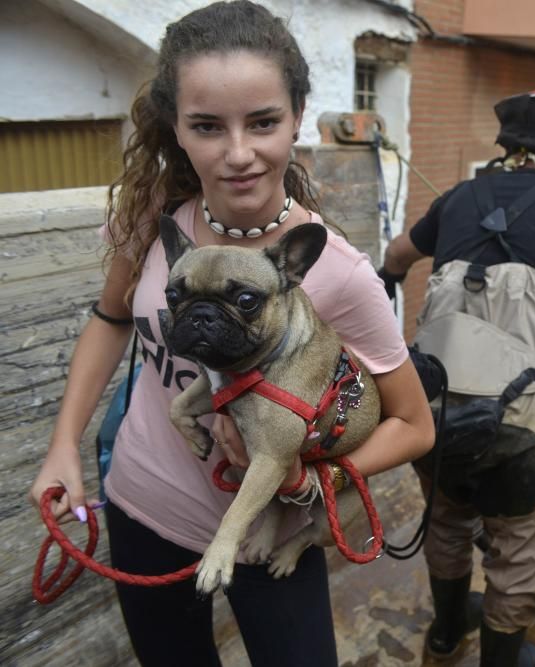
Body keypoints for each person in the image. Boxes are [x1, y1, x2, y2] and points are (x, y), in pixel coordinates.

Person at [28, 3, 435, 665]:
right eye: (209, 126)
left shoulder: (335, 272)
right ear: (177, 129)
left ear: (298, 117)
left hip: (266, 533)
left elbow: (416, 425)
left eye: (264, 122)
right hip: (141, 505)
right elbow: (109, 320)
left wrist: (314, 483)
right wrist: (63, 445)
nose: (240, 152)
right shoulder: (154, 221)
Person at [380, 84, 535, 666]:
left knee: (447, 518)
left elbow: (394, 258)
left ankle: (444, 635)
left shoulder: (460, 196)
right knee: (519, 546)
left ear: (509, 145)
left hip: (435, 403)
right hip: (524, 413)